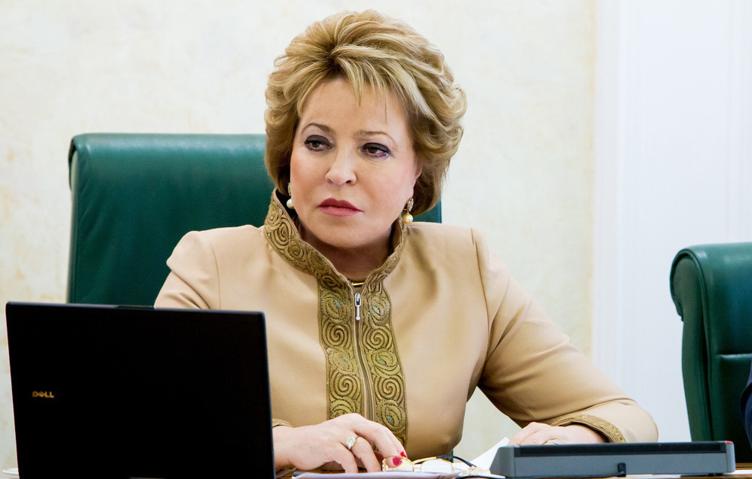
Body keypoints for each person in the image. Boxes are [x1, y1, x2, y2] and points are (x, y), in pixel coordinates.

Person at [155, 9, 658, 474]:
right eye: (317, 142)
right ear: (288, 156)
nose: (339, 172)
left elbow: (624, 416)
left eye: (374, 149)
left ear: (419, 170)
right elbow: (144, 432)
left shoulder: (467, 268)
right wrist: (280, 444)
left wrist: (573, 439)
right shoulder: (210, 267)